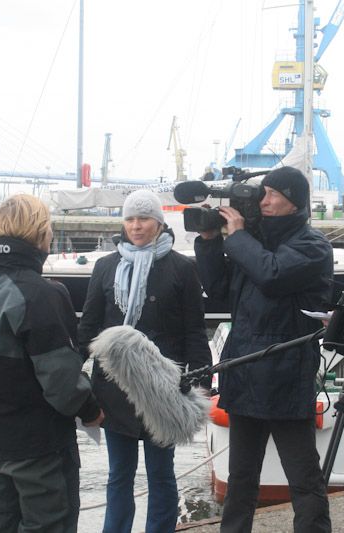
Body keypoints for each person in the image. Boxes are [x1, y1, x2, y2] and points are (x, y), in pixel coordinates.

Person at [0, 193, 103, 532]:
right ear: (40, 234)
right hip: (37, 447)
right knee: (50, 523)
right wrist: (92, 410)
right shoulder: (43, 294)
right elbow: (63, 383)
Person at [194, 166, 333, 533]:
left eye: (273, 195)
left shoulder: (312, 245)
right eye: (264, 193)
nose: (264, 201)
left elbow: (271, 274)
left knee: (303, 477)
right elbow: (219, 290)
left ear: (295, 202)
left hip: (286, 373)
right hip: (244, 370)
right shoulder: (251, 242)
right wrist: (209, 240)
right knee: (240, 476)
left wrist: (237, 237)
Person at [77, 189, 212, 533]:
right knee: (119, 473)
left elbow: (194, 331)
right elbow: (89, 326)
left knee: (161, 472)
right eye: (130, 219)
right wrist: (69, 373)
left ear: (159, 222)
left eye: (144, 219)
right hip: (115, 385)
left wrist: (201, 381)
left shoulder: (181, 268)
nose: (136, 226)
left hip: (162, 387)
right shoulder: (106, 267)